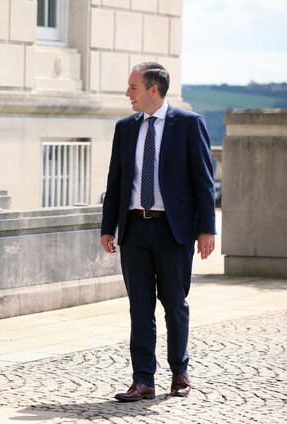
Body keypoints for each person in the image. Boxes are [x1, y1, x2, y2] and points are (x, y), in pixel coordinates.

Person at [100, 62, 216, 401]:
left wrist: (206, 229)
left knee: (174, 304)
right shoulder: (125, 128)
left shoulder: (189, 124)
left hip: (173, 231)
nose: (127, 93)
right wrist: (108, 227)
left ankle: (179, 372)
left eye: (133, 87)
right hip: (134, 228)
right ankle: (143, 380)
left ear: (153, 90)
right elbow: (116, 181)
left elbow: (204, 182)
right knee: (140, 306)